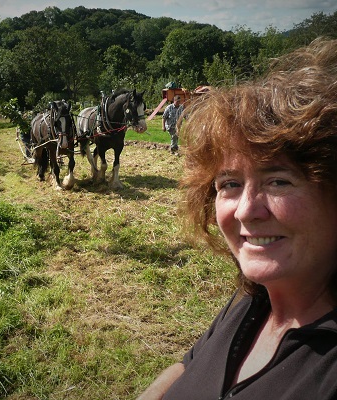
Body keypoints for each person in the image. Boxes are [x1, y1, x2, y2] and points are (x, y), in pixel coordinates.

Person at [137, 37, 337, 400]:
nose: (246, 210)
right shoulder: (251, 300)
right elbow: (186, 367)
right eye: (229, 183)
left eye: (278, 181)